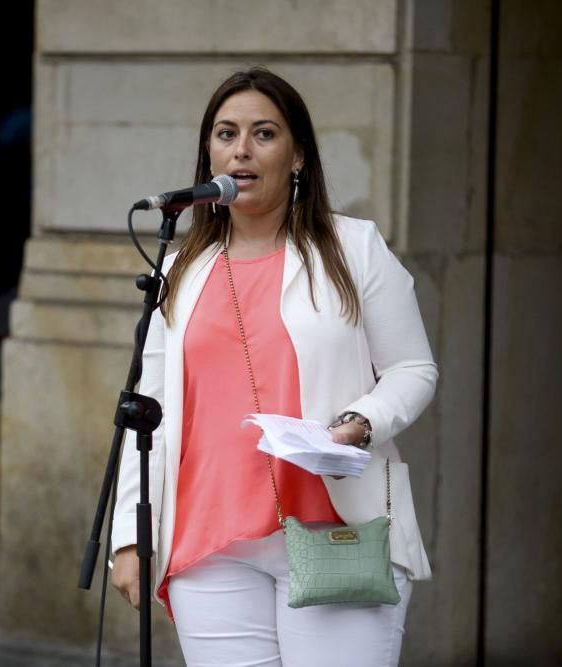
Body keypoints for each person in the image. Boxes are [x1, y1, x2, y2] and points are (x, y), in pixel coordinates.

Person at [110, 67, 438, 666]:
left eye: (264, 133)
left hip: (332, 529)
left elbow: (414, 369)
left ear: (298, 158)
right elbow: (148, 412)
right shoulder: (180, 268)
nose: (241, 149)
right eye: (225, 133)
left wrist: (358, 423)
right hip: (209, 545)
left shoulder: (353, 248)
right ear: (208, 153)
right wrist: (130, 537)